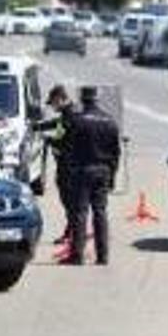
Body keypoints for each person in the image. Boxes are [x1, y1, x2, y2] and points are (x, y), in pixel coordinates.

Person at [64, 86, 121, 265]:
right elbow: (116, 153)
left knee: (80, 213)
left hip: (82, 170)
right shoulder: (110, 121)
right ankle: (103, 255)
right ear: (97, 99)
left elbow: (68, 148)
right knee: (100, 212)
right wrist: (112, 176)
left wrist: (69, 170)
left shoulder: (77, 120)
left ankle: (77, 255)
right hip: (103, 170)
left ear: (82, 99)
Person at [32, 85, 78, 244]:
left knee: (71, 203)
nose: (52, 107)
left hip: (69, 167)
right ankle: (72, 231)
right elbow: (55, 123)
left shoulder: (70, 115)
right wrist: (37, 127)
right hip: (66, 165)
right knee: (70, 203)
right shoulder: (66, 114)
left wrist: (48, 140)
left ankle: (73, 234)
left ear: (59, 99)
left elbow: (66, 141)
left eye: (53, 103)